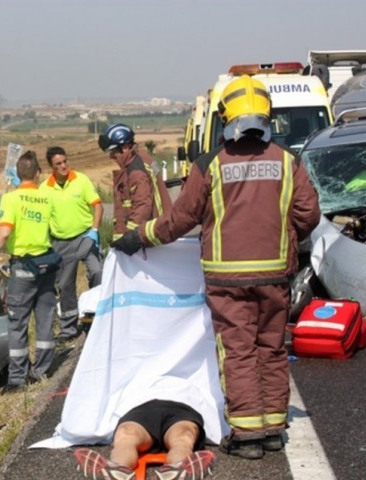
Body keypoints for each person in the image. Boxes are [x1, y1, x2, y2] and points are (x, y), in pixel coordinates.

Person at [112, 75, 321, 459]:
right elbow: (309, 215)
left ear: (227, 117)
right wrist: (284, 237)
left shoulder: (210, 164)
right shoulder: (288, 162)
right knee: (271, 348)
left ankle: (246, 435)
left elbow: (179, 220)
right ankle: (273, 428)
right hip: (276, 273)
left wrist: (139, 236)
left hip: (227, 278)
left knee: (238, 351)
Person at [0, 150, 58, 391]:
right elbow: (57, 230)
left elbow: (4, 233)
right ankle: (43, 370)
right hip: (47, 264)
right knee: (45, 318)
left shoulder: (11, 199)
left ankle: (17, 379)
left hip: (23, 266)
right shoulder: (48, 198)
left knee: (17, 322)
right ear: (38, 173)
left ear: (17, 174)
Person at [73, 399, 216, 480]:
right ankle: (118, 469)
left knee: (183, 436)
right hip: (140, 407)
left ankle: (178, 469)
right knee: (127, 434)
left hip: (184, 407)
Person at [40, 146, 103, 343]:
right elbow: (41, 218)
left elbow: (98, 206)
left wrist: (94, 230)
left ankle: (97, 317)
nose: (64, 166)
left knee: (97, 271)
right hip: (61, 243)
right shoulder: (45, 189)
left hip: (85, 237)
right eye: (58, 164)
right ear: (51, 166)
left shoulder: (81, 180)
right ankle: (68, 329)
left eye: (65, 161)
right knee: (65, 285)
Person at [98, 123, 172, 241]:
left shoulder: (136, 171)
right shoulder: (142, 158)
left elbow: (142, 206)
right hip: (156, 230)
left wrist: (129, 237)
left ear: (125, 147)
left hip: (147, 237)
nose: (111, 156)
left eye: (113, 152)